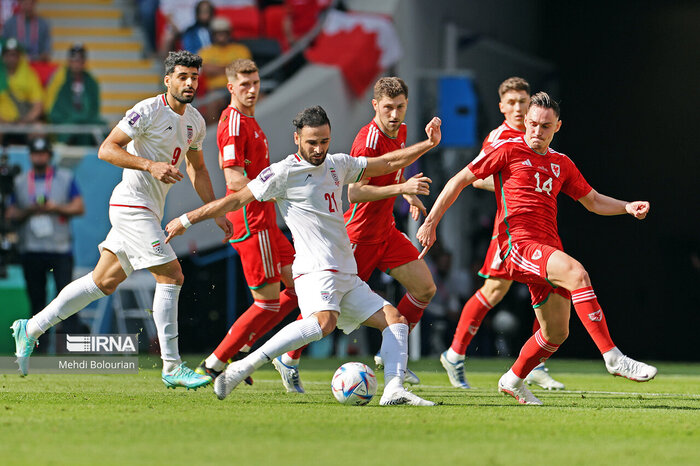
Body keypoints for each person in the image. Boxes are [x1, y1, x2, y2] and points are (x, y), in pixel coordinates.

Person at [165, 105, 442, 405]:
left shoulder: (338, 164)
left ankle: (394, 390)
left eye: (324, 141)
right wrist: (187, 219)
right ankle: (240, 367)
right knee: (323, 323)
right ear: (297, 138)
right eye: (312, 142)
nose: (319, 148)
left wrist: (427, 145)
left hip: (346, 273)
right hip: (315, 270)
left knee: (395, 320)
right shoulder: (283, 172)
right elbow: (236, 200)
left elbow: (385, 163)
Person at [418, 92, 657, 405]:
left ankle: (513, 378)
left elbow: (593, 201)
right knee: (576, 273)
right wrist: (431, 222)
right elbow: (460, 180)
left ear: (557, 126)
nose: (536, 131)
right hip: (517, 244)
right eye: (532, 124)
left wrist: (627, 207)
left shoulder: (561, 164)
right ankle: (613, 358)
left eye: (545, 126)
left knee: (556, 333)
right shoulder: (507, 149)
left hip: (547, 247)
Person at [11, 50, 232, 390]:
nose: (190, 83)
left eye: (195, 78)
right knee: (172, 274)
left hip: (148, 209)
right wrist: (149, 165)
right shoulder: (146, 110)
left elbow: (198, 169)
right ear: (168, 79)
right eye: (183, 77)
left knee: (102, 282)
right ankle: (172, 366)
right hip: (131, 204)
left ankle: (32, 328)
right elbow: (107, 149)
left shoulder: (195, 122)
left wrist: (214, 211)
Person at [274, 77, 435, 391]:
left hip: (385, 232)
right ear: (375, 105)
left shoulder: (400, 130)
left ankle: (391, 354)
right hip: (359, 237)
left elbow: (391, 170)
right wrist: (402, 187)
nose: (394, 113)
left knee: (425, 288)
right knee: (325, 312)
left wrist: (405, 194)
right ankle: (288, 356)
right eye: (387, 107)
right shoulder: (368, 139)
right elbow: (356, 193)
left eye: (400, 106)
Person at [439, 77, 566, 391]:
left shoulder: (534, 132)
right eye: (511, 103)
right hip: (507, 229)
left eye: (522, 101)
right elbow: (476, 178)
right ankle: (455, 353)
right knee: (495, 292)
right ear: (501, 107)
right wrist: (516, 183)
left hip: (534, 227)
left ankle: (536, 363)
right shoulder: (499, 139)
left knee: (549, 281)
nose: (518, 108)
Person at [194, 58, 299, 385]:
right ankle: (214, 363)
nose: (252, 90)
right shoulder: (235, 124)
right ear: (230, 88)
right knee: (267, 304)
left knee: (301, 288)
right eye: (244, 85)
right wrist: (279, 185)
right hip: (253, 222)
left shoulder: (250, 121)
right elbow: (234, 179)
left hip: (266, 222)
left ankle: (243, 349)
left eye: (255, 84)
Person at [6, 136, 85, 341]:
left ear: (49, 155)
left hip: (60, 249)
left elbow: (78, 207)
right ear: (30, 156)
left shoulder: (65, 178)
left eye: (43, 154)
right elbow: (11, 214)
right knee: (36, 301)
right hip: (31, 248)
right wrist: (29, 211)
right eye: (35, 154)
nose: (39, 157)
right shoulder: (21, 181)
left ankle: (70, 347)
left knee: (67, 299)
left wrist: (56, 207)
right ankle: (38, 347)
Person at [44, 43, 103, 146]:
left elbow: (94, 108)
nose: (76, 64)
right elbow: (51, 106)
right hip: (64, 120)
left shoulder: (91, 81)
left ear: (84, 62)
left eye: (79, 60)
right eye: (74, 60)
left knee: (103, 128)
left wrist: (83, 118)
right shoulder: (59, 78)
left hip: (86, 122)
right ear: (69, 61)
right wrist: (75, 117)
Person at [198, 16, 252, 92]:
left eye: (223, 32)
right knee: (214, 101)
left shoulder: (241, 49)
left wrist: (217, 69)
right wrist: (232, 68)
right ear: (213, 34)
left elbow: (245, 69)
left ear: (229, 33)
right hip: (216, 89)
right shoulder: (205, 51)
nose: (221, 35)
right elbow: (207, 70)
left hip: (239, 87)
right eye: (217, 33)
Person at [0, 37, 43, 130]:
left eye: (14, 55)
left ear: (19, 56)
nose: (11, 58)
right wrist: (3, 121)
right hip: (2, 122)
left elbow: (38, 105)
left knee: (39, 129)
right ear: (3, 57)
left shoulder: (30, 75)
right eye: (8, 55)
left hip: (25, 121)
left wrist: (26, 121)